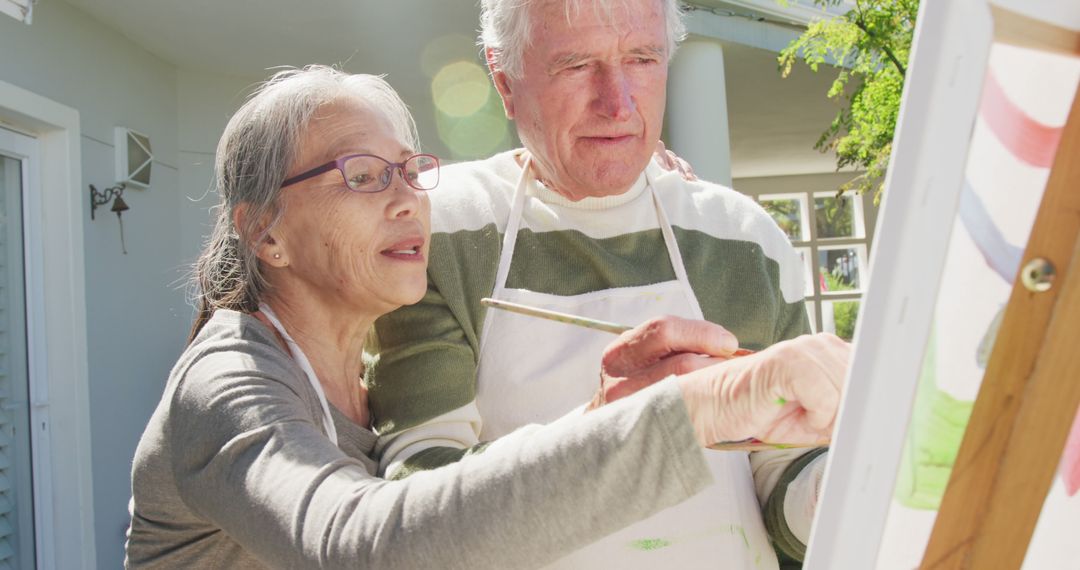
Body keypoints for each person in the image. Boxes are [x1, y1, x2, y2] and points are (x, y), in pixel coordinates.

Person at [124, 66, 848, 569]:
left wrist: (623, 174)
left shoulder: (358, 361)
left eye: (411, 170)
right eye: (363, 176)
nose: (407, 200)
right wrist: (687, 412)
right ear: (265, 232)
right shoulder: (229, 383)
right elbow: (366, 547)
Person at [366, 0, 846, 567]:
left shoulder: (744, 238)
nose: (617, 103)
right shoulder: (438, 231)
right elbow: (419, 513)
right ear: (505, 82)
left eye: (642, 59)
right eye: (575, 66)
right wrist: (632, 429)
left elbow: (782, 483)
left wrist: (851, 484)